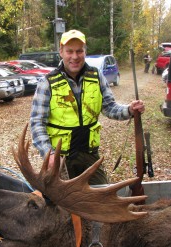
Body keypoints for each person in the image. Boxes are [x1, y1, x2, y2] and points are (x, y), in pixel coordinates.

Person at [30, 29, 145, 185]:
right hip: (60, 159)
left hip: (90, 155)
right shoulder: (47, 82)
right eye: (69, 51)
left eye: (79, 51)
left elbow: (109, 107)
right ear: (61, 52)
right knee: (61, 205)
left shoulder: (96, 76)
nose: (75, 56)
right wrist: (49, 155)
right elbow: (37, 123)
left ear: (85, 51)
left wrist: (129, 110)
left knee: (103, 200)